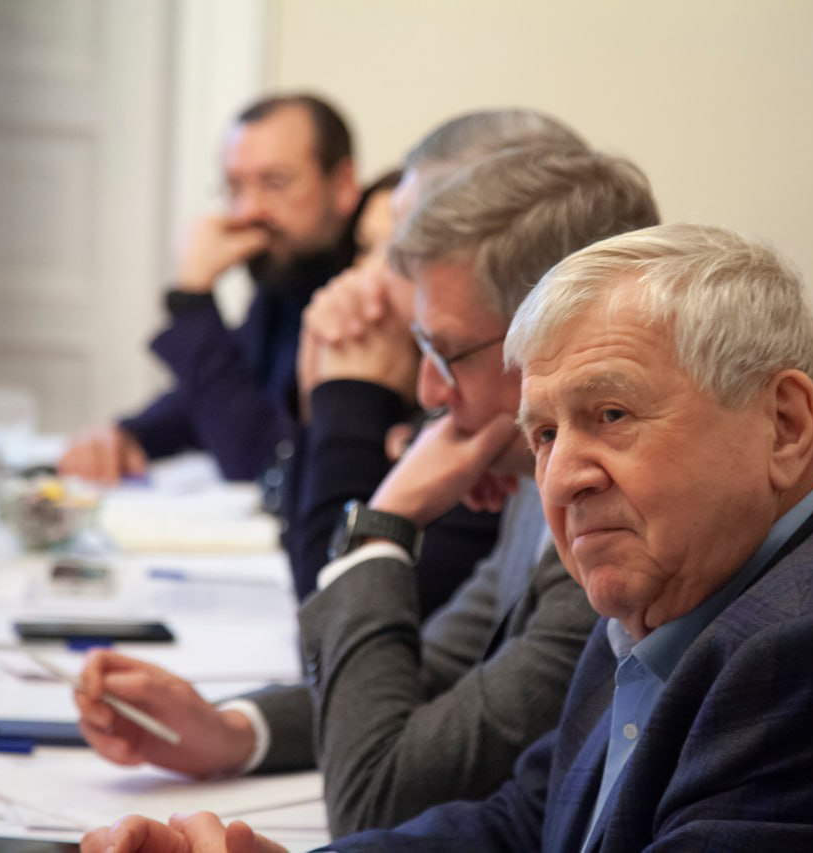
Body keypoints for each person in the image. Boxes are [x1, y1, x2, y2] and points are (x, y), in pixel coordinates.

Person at [88, 224, 813, 851]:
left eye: (610, 415)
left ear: (784, 424)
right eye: (542, 433)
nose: (562, 475)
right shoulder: (681, 579)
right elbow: (529, 823)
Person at [75, 142, 661, 843]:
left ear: (549, 333)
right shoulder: (529, 492)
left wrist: (384, 522)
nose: (428, 390)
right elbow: (436, 671)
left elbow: (379, 794)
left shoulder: (604, 523)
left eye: (445, 353)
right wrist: (235, 731)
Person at [287, 108, 588, 605]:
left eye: (402, 253)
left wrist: (347, 394)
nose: (364, 279)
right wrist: (314, 395)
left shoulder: (497, 399)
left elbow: (322, 601)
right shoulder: (445, 374)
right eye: (367, 249)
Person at [58, 93, 359, 484]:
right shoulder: (286, 279)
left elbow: (265, 464)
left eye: (275, 182)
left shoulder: (360, 298)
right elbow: (219, 396)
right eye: (234, 187)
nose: (248, 210)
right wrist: (127, 435)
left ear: (343, 185)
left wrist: (194, 300)